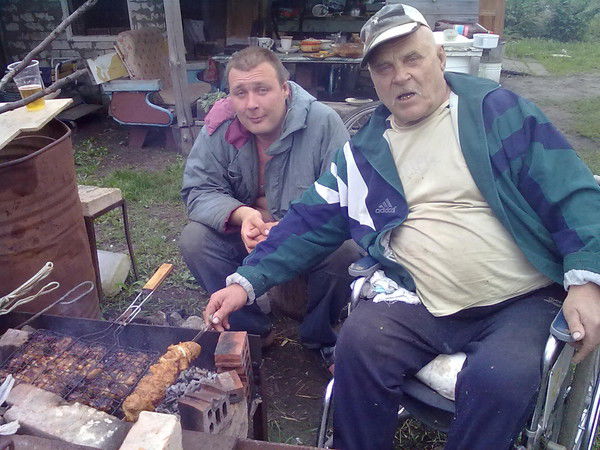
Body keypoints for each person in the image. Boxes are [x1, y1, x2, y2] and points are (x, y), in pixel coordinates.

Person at [203, 4, 600, 449]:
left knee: (500, 378)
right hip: (417, 299)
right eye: (384, 67)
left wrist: (587, 280)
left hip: (516, 301)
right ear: (372, 78)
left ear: (440, 58)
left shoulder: (497, 114)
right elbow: (308, 221)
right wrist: (246, 281)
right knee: (358, 342)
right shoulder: (364, 154)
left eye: (413, 59)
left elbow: (574, 192)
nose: (401, 76)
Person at [181, 46, 361, 352]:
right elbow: (198, 189)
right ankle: (252, 331)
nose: (252, 104)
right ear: (230, 97)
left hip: (306, 235)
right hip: (248, 233)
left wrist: (287, 229)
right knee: (194, 239)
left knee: (345, 249)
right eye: (240, 93)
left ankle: (319, 336)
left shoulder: (323, 123)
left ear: (285, 90)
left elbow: (345, 200)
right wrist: (241, 215)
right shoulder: (221, 126)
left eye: (262, 90)